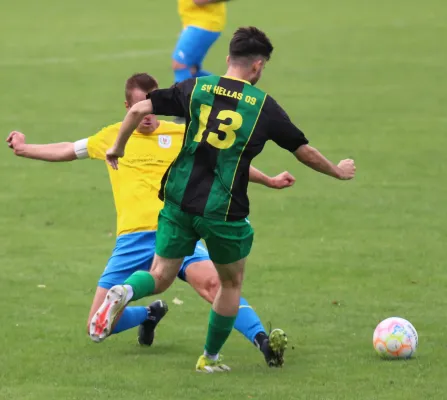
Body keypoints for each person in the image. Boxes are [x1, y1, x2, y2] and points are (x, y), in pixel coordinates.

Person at [92, 26, 356, 373]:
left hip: (177, 201)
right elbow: (303, 151)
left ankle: (126, 290)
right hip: (222, 209)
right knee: (230, 284)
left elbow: (138, 110)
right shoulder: (264, 107)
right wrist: (337, 171)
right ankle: (209, 359)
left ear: (229, 58)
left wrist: (118, 146)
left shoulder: (196, 87)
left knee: (159, 275)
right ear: (258, 66)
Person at [6, 72, 295, 367]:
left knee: (215, 285)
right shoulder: (112, 136)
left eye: (151, 105)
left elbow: (223, 164)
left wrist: (268, 180)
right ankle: (149, 314)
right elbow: (68, 149)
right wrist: (24, 149)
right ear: (127, 106)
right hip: (133, 239)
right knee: (98, 325)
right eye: (139, 106)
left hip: (177, 225)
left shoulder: (182, 133)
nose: (147, 115)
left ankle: (263, 341)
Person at [173, 0, 226, 84]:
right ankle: (226, 90)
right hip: (196, 23)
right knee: (192, 70)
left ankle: (181, 96)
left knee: (180, 65)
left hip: (203, 24)